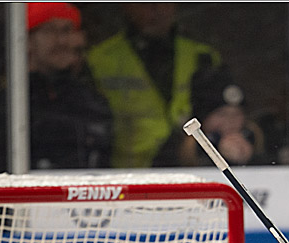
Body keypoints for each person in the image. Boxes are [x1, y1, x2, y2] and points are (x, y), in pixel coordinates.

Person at [86, 2, 221, 168]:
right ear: (127, 6)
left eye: (162, 3)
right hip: (126, 175)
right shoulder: (99, 60)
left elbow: (224, 115)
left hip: (189, 170)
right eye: (145, 4)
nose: (156, 10)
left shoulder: (202, 57)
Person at [26, 2, 112, 170]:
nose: (62, 40)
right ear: (27, 39)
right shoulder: (5, 100)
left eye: (66, 30)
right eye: (49, 31)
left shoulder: (91, 99)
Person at [175, 66, 267, 167]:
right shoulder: (175, 147)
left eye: (237, 114)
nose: (230, 121)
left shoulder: (261, 140)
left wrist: (250, 158)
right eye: (221, 114)